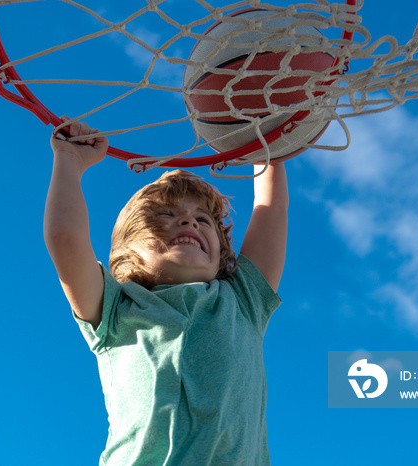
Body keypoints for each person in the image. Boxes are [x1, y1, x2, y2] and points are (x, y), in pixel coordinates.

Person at [44, 117, 288, 465]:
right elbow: (65, 239)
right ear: (130, 248)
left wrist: (269, 151)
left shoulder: (243, 300)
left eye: (203, 219)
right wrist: (69, 159)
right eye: (166, 216)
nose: (189, 221)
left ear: (220, 252)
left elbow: (271, 209)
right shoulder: (116, 309)